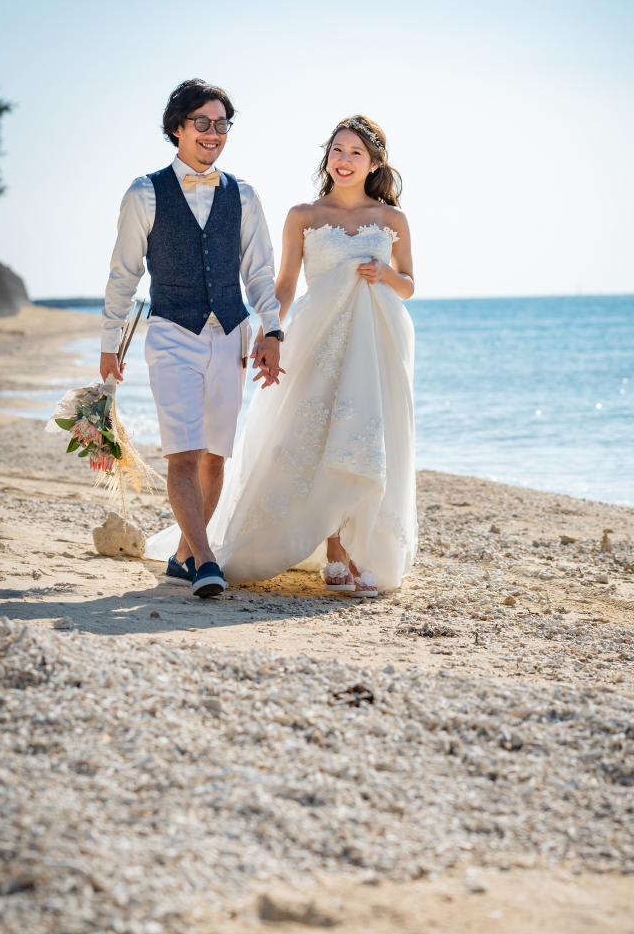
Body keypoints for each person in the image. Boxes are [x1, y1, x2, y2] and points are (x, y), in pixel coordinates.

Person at [146, 114, 417, 596]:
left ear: (374, 162)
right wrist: (269, 331)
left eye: (356, 152)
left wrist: (385, 274)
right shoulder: (304, 215)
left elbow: (410, 285)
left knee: (363, 435)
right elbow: (287, 283)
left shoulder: (392, 219)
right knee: (319, 437)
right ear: (326, 157)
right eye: (337, 150)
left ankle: (356, 551)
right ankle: (333, 553)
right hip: (319, 338)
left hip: (376, 342)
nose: (345, 160)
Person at [100, 78, 283, 598]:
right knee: (183, 453)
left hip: (230, 334)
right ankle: (206, 559)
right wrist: (109, 341)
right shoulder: (144, 191)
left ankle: (184, 554)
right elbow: (124, 273)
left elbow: (260, 273)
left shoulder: (244, 195)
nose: (212, 133)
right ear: (177, 128)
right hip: (171, 333)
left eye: (221, 124)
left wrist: (272, 330)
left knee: (214, 457)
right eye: (201, 122)